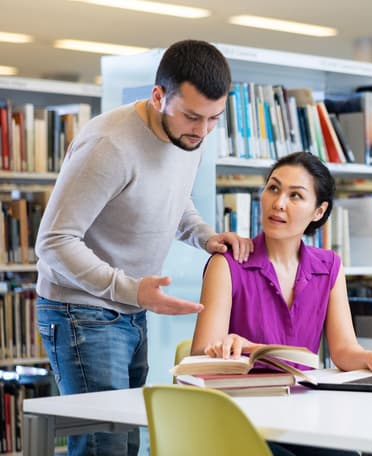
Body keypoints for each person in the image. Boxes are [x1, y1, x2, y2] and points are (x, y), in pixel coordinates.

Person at [35, 40, 253, 456]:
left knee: (127, 440)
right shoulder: (109, 145)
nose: (202, 131)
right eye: (192, 117)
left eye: (214, 118)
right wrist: (132, 289)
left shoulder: (188, 136)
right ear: (158, 96)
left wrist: (204, 235)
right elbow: (53, 242)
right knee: (104, 445)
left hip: (131, 309)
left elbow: (173, 198)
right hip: (81, 310)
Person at [192, 151, 372, 456]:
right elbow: (199, 355)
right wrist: (226, 346)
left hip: (302, 416)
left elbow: (344, 351)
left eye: (295, 195)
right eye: (273, 188)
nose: (279, 203)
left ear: (318, 211)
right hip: (239, 416)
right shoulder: (228, 264)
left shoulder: (329, 266)